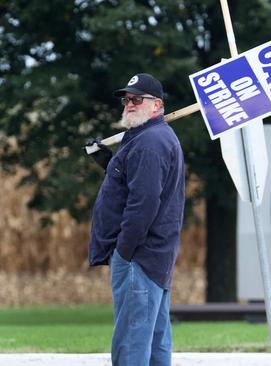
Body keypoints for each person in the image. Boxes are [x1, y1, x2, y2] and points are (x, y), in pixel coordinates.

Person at [86, 73, 185, 366]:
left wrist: (124, 252)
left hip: (138, 257)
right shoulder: (147, 139)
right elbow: (133, 183)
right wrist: (108, 161)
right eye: (127, 99)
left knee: (131, 344)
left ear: (157, 105)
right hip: (152, 256)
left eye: (137, 99)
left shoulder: (149, 143)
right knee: (153, 342)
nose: (129, 104)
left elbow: (143, 205)